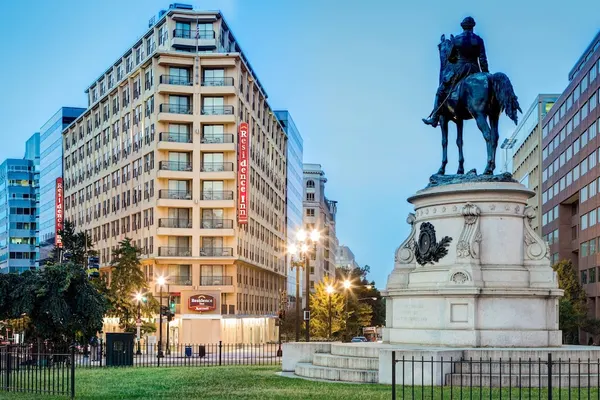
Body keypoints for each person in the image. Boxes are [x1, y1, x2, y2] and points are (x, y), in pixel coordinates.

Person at [423, 16, 489, 128]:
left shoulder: (457, 39)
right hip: (475, 70)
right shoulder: (479, 40)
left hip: (461, 70)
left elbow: (451, 58)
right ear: (473, 27)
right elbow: (483, 60)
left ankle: (434, 118)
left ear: (463, 27)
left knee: (441, 90)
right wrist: (486, 74)